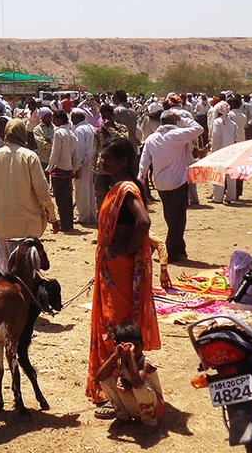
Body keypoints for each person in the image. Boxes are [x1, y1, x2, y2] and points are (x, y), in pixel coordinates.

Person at [88, 137, 161, 416]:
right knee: (113, 323)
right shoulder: (117, 187)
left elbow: (143, 221)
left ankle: (120, 391)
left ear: (124, 161)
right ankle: (118, 388)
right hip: (112, 270)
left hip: (120, 271)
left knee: (115, 326)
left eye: (108, 158)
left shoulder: (128, 190)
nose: (103, 162)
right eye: (103, 158)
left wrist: (128, 249)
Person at [0, 119, 58, 273]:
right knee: (29, 272)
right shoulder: (30, 156)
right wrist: (52, 217)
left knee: (7, 273)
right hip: (27, 228)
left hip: (4, 227)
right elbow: (42, 191)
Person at [137, 109, 203, 263]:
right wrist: (184, 119)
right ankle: (170, 251)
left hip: (160, 183)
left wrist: (141, 178)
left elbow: (144, 161)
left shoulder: (151, 139)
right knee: (179, 218)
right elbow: (199, 129)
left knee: (170, 216)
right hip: (177, 182)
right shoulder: (177, 135)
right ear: (174, 122)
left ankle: (179, 248)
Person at [92, 323, 164, 426]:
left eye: (135, 345)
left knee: (140, 388)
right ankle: (123, 417)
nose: (131, 350)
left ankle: (150, 421)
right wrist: (114, 357)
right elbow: (100, 378)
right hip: (135, 405)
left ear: (142, 345)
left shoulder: (146, 363)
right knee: (106, 381)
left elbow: (138, 383)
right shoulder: (120, 360)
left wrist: (131, 358)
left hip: (152, 407)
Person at [46, 110, 83, 231]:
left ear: (60, 119)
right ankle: (68, 223)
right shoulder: (72, 134)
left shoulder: (59, 133)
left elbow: (55, 153)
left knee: (60, 199)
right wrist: (75, 168)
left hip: (59, 169)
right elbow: (76, 155)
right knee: (67, 198)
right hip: (68, 171)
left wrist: (49, 168)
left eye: (54, 119)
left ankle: (64, 224)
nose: (53, 121)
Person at [72, 109, 98, 225]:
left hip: (83, 163)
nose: (71, 120)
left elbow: (79, 150)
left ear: (78, 117)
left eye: (73, 117)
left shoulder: (79, 130)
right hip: (91, 161)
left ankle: (83, 216)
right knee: (91, 190)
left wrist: (76, 167)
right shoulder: (91, 128)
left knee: (81, 191)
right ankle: (92, 215)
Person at [209, 101, 239, 204]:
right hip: (231, 151)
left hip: (220, 151)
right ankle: (230, 197)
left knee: (218, 174)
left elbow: (216, 137)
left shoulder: (217, 122)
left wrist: (213, 151)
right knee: (231, 176)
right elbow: (235, 138)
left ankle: (217, 197)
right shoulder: (233, 123)